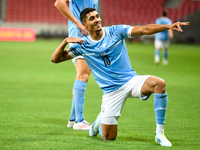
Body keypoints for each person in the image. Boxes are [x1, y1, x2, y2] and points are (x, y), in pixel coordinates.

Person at [51, 8, 189, 147]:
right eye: (92, 18)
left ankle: (160, 133)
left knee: (159, 84)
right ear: (84, 24)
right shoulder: (83, 45)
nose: (97, 20)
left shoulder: (115, 31)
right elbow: (55, 60)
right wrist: (65, 41)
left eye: (97, 16)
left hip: (131, 81)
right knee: (109, 138)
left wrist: (169, 26)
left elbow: (144, 30)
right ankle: (99, 121)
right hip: (111, 93)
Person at [54, 0, 98, 130]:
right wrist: (78, 24)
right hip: (78, 38)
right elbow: (59, 3)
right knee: (83, 74)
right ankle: (79, 121)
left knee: (85, 74)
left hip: (88, 38)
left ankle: (73, 120)